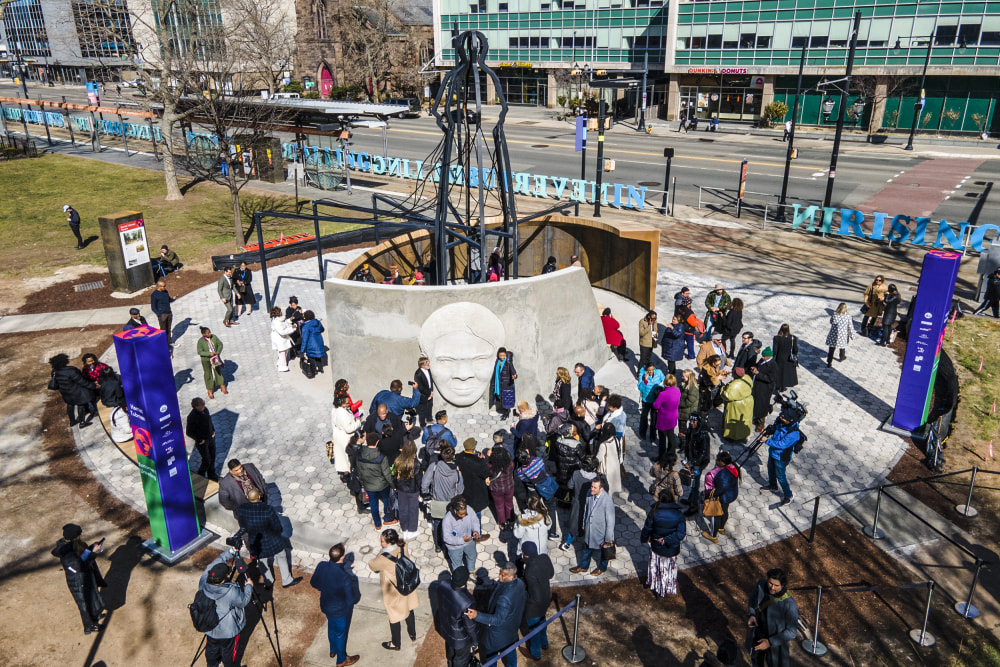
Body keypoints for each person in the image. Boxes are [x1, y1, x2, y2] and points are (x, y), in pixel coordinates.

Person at [198, 549, 254, 667]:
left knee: (211, 650)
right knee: (228, 654)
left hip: (209, 627)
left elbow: (211, 566)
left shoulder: (203, 582)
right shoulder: (230, 591)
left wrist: (229, 552)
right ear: (223, 580)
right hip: (228, 632)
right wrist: (249, 586)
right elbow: (243, 602)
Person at [466, 561, 527, 667]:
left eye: (502, 575)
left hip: (497, 635)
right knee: (511, 651)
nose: (499, 576)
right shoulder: (520, 584)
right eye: (500, 573)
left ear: (511, 576)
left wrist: (477, 615)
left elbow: (497, 619)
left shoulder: (504, 598)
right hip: (512, 628)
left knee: (491, 656)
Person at [237, 487, 300, 588]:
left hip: (256, 541)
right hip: (272, 541)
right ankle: (286, 580)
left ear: (247, 497)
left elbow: (243, 525)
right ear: (259, 496)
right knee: (281, 557)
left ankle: (268, 581)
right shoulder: (267, 509)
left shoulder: (242, 509)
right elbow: (276, 526)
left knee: (262, 562)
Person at [368, 529, 420, 651]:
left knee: (394, 616)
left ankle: (395, 643)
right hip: (407, 584)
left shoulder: (383, 558)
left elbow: (372, 565)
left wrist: (381, 552)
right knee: (409, 608)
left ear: (389, 543)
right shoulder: (403, 544)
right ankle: (412, 634)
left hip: (394, 590)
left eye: (382, 541)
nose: (380, 542)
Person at [311, 543, 362, 667]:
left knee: (331, 627)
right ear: (342, 557)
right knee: (340, 633)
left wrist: (325, 588)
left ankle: (332, 650)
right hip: (339, 610)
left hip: (326, 605)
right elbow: (351, 600)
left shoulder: (322, 566)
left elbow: (313, 582)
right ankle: (341, 659)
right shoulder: (345, 577)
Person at [52, 523, 106, 633]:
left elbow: (82, 556)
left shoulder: (73, 545)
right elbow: (79, 566)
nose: (80, 536)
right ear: (74, 537)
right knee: (85, 605)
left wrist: (92, 548)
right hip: (78, 582)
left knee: (91, 601)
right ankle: (90, 626)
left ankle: (93, 618)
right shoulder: (67, 554)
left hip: (85, 579)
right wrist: (93, 553)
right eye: (78, 535)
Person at [747, 568, 800, 667]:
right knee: (755, 661)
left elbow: (792, 632)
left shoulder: (790, 604)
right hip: (758, 636)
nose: (772, 587)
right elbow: (752, 598)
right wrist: (752, 614)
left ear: (783, 585)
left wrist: (770, 642)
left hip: (775, 644)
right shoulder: (761, 584)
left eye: (776, 585)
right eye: (770, 583)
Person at [641, 489, 686, 598]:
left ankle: (658, 591)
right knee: (668, 569)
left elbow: (647, 528)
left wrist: (644, 538)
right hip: (671, 548)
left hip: (656, 547)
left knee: (657, 569)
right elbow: (681, 533)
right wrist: (667, 539)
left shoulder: (654, 511)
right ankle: (667, 588)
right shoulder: (679, 514)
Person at [422, 444, 465, 553]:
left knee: (437, 525)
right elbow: (460, 490)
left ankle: (437, 546)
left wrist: (426, 494)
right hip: (450, 505)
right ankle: (447, 547)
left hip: (436, 503)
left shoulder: (434, 467)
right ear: (453, 456)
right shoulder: (457, 472)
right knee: (450, 527)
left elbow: (424, 484)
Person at [570, 477, 616, 577]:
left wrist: (608, 538)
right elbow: (586, 509)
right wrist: (584, 523)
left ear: (601, 489)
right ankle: (583, 566)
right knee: (586, 549)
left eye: (595, 487)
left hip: (600, 533)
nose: (592, 489)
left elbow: (610, 522)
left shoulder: (607, 501)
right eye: (591, 486)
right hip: (589, 530)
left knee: (604, 553)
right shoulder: (589, 493)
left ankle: (602, 568)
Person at [436, 566, 478, 667]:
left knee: (450, 655)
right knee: (460, 660)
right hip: (461, 639)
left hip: (447, 630)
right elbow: (470, 626)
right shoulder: (468, 601)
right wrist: (475, 640)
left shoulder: (443, 585)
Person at [761, 410, 804, 505]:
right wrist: (769, 430)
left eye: (783, 417)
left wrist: (766, 441)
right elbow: (776, 428)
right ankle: (773, 486)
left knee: (781, 476)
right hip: (773, 453)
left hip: (781, 458)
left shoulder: (793, 434)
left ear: (789, 420)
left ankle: (788, 495)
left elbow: (781, 445)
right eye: (781, 416)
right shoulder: (783, 424)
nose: (781, 418)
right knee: (770, 469)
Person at [521, 540, 554, 660]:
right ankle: (544, 643)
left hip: (534, 605)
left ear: (524, 553)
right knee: (542, 622)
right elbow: (551, 574)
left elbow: (530, 588)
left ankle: (535, 654)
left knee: (533, 630)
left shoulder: (529, 570)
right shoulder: (545, 558)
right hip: (546, 598)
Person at [357, 433, 397, 530]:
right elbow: (387, 473)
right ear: (377, 442)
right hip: (382, 485)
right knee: (386, 501)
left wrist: (363, 483)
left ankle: (377, 524)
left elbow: (359, 472)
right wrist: (393, 485)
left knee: (373, 504)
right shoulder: (381, 456)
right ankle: (387, 519)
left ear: (366, 442)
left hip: (368, 485)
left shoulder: (360, 454)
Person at [48, 353, 97, 428]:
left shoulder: (54, 371)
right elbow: (82, 382)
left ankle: (72, 421)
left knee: (70, 405)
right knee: (81, 405)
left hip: (65, 392)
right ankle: (82, 422)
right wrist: (93, 385)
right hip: (76, 392)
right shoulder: (71, 370)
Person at [701, 451, 739, 543]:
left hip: (722, 497)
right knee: (724, 510)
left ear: (722, 462)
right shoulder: (733, 467)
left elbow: (719, 489)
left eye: (718, 460)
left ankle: (713, 536)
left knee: (715, 515)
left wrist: (707, 493)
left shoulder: (723, 474)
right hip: (731, 495)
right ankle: (721, 528)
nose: (716, 462)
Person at [442, 495, 484, 572]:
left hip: (469, 541)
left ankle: (471, 571)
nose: (464, 515)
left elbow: (475, 520)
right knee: (457, 564)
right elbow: (447, 538)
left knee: (472, 556)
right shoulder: (447, 520)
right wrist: (462, 540)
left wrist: (476, 530)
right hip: (455, 547)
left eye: (465, 513)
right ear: (455, 511)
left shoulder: (469, 510)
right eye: (461, 514)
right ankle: (460, 578)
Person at [681, 414, 712, 515]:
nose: (691, 423)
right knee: (693, 483)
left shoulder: (703, 435)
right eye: (690, 421)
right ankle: (691, 499)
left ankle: (694, 506)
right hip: (692, 460)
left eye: (694, 422)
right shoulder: (691, 429)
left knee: (695, 485)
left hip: (698, 463)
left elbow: (702, 453)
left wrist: (691, 463)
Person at [456, 438, 492, 522]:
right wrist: (482, 460)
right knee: (476, 516)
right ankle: (477, 533)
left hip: (464, 491)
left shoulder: (458, 457)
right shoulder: (478, 462)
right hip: (476, 492)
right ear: (473, 448)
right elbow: (486, 473)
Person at [186, 397, 218, 480]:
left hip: (211, 437)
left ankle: (212, 474)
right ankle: (201, 474)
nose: (203, 406)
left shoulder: (205, 410)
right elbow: (189, 432)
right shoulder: (192, 417)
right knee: (206, 460)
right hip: (202, 442)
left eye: (203, 404)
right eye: (201, 405)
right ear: (196, 407)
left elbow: (209, 421)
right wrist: (200, 440)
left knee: (212, 456)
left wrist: (213, 430)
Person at [331, 394, 363, 475]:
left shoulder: (335, 410)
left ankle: (344, 472)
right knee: (347, 457)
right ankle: (348, 474)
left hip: (338, 435)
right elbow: (348, 429)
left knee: (341, 456)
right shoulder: (343, 414)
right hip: (345, 437)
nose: (349, 404)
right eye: (347, 403)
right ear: (342, 403)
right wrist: (358, 422)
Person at [652, 373, 681, 460]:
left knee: (662, 439)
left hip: (663, 419)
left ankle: (662, 457)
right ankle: (671, 455)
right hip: (673, 417)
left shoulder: (663, 394)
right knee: (671, 436)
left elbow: (656, 405)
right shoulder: (677, 390)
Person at [721, 367, 754, 441]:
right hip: (748, 402)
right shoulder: (747, 377)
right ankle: (744, 434)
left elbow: (727, 396)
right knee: (744, 419)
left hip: (736, 405)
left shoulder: (734, 385)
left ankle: (731, 436)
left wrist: (722, 389)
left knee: (733, 421)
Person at [489, 445, 516, 528]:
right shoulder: (511, 464)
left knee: (499, 506)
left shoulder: (491, 467)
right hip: (509, 487)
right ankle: (511, 521)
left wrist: (488, 456)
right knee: (509, 504)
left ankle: (502, 523)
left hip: (496, 489)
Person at [637, 363, 665, 443]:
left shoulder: (659, 372)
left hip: (655, 400)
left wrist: (660, 388)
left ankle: (653, 436)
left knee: (654, 418)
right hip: (646, 400)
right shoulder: (642, 374)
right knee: (644, 417)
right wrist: (645, 380)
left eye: (652, 370)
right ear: (646, 370)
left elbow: (664, 381)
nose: (651, 372)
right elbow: (640, 387)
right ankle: (642, 433)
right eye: (649, 371)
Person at [196, 327, 227, 398]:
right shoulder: (200, 341)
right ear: (203, 334)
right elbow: (199, 351)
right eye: (208, 333)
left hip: (215, 358)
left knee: (218, 371)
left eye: (210, 332)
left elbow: (220, 344)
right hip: (206, 359)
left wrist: (218, 352)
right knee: (208, 373)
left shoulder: (214, 337)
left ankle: (222, 385)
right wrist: (208, 354)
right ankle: (209, 389)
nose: (210, 334)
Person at [751, 348, 777, 432]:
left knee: (761, 406)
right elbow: (758, 365)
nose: (762, 357)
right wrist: (754, 367)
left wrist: (758, 374)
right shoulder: (762, 361)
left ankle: (761, 423)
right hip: (757, 386)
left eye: (764, 356)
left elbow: (771, 379)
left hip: (765, 389)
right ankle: (755, 419)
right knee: (755, 403)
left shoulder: (773, 366)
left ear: (769, 356)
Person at [594, 422, 623, 496]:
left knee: (606, 487)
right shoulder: (616, 439)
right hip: (615, 466)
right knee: (612, 486)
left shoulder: (603, 445)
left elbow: (599, 458)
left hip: (607, 469)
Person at [825, 302, 857, 367]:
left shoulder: (835, 315)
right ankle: (842, 357)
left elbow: (831, 322)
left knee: (831, 348)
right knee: (842, 347)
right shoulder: (848, 316)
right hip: (843, 335)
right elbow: (850, 327)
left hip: (834, 334)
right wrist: (852, 336)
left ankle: (829, 362)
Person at [491, 348, 518, 419]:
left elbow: (513, 370)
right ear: (498, 355)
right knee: (502, 398)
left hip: (507, 385)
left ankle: (506, 414)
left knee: (507, 399)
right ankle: (505, 411)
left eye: (503, 355)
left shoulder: (508, 362)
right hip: (500, 384)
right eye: (501, 355)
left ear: (506, 355)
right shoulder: (498, 361)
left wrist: (514, 375)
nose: (502, 357)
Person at [771, 324, 799, 391]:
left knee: (779, 372)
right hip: (788, 358)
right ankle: (783, 386)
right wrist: (794, 354)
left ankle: (778, 386)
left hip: (779, 358)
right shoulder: (792, 338)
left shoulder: (777, 338)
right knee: (786, 373)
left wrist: (774, 355)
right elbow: (795, 348)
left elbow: (775, 350)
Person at [299, 310, 327, 375]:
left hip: (311, 344)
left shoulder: (306, 326)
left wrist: (302, 350)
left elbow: (305, 339)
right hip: (319, 341)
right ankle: (320, 368)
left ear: (305, 317)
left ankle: (314, 370)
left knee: (311, 358)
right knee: (318, 356)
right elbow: (322, 329)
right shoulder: (318, 322)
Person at [270, 306, 296, 372]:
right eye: (280, 311)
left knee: (285, 351)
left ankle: (280, 362)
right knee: (282, 353)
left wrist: (289, 321)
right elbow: (282, 331)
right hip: (279, 340)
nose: (282, 312)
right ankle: (282, 366)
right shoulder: (277, 322)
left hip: (282, 339)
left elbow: (284, 324)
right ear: (278, 313)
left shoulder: (279, 320)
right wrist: (292, 329)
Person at [150, 280, 174, 346]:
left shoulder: (166, 292)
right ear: (159, 286)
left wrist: (173, 299)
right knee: (163, 330)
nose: (165, 287)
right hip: (162, 315)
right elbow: (153, 307)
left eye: (165, 286)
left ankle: (169, 342)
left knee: (168, 329)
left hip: (169, 313)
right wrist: (159, 315)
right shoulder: (154, 295)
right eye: (163, 286)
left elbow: (168, 300)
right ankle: (164, 344)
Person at [414, 356, 435, 427]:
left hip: (429, 393)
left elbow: (430, 381)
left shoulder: (428, 370)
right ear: (422, 365)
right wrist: (429, 394)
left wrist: (431, 391)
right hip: (423, 395)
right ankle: (422, 425)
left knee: (429, 406)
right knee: (422, 411)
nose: (429, 365)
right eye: (427, 364)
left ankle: (429, 419)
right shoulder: (418, 374)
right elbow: (420, 387)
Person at [677, 369, 699, 433]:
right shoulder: (685, 384)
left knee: (683, 430)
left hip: (687, 412)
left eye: (684, 376)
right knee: (682, 428)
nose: (682, 377)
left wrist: (678, 403)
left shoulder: (692, 388)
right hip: (684, 411)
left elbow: (688, 402)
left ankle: (684, 441)